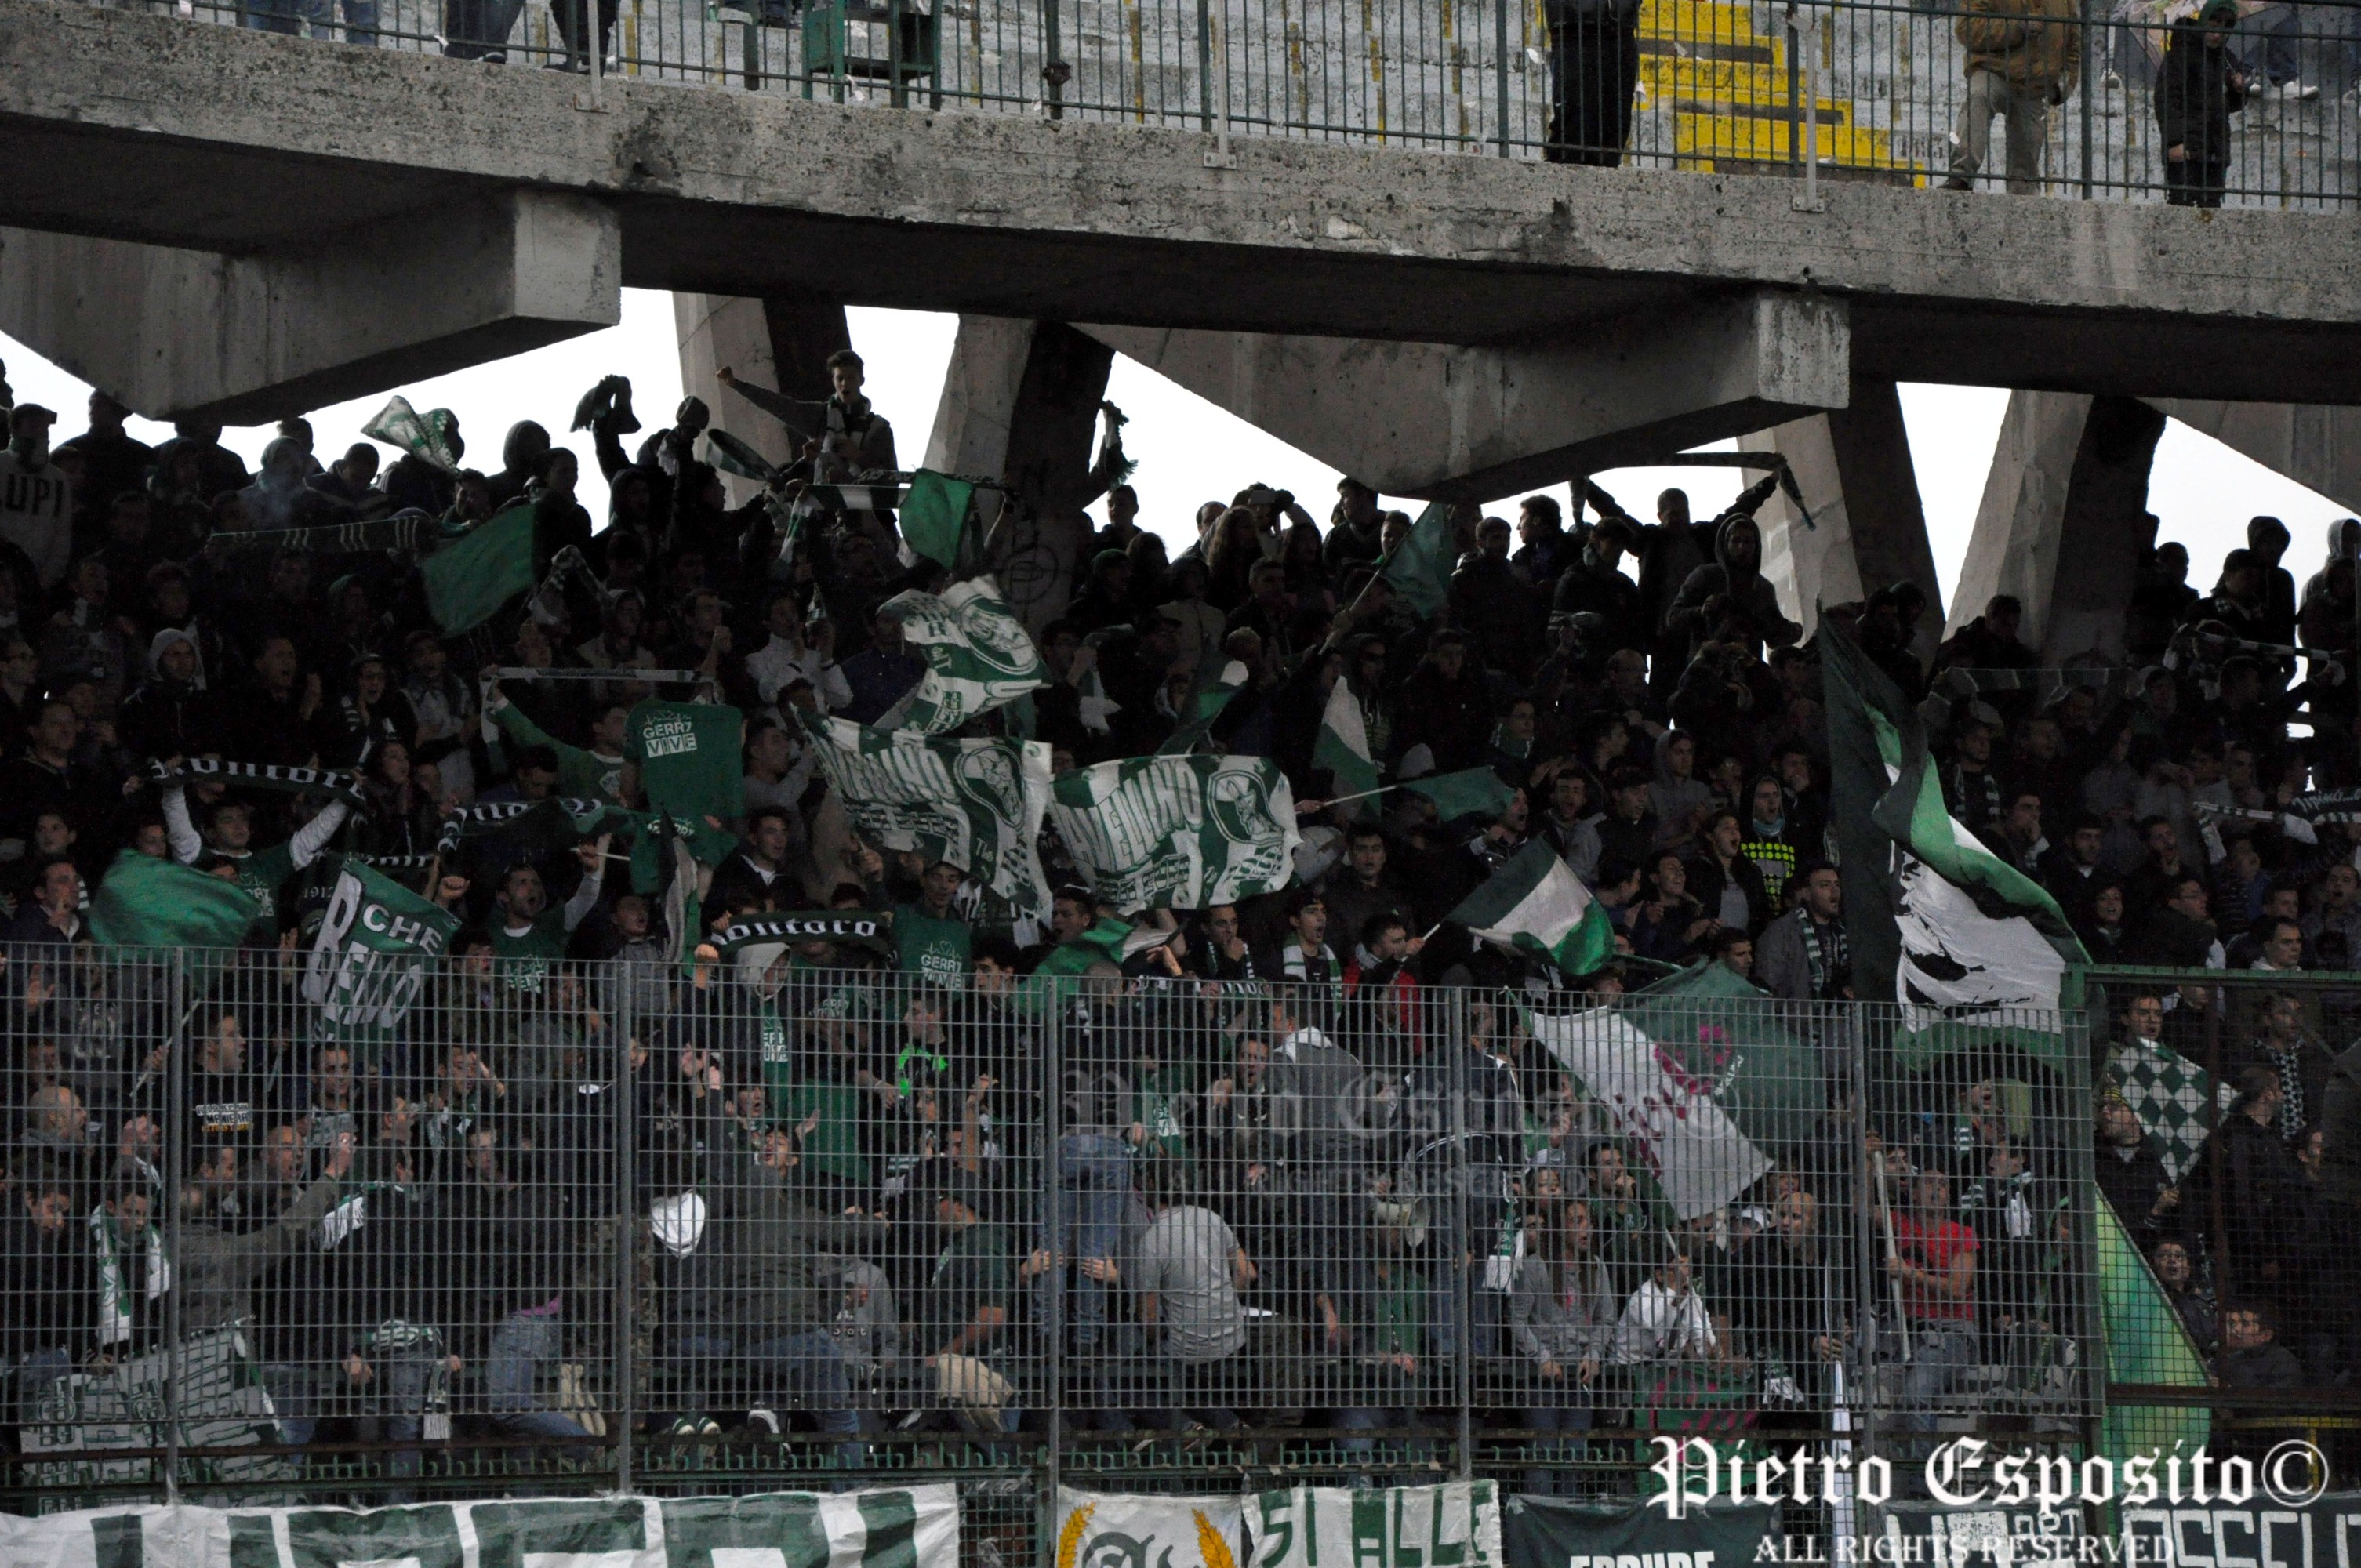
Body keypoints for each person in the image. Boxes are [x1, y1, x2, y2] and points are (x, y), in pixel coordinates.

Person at [1944, 0, 2080, 193]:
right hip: (1992, 70)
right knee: (1979, 96)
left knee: (2025, 164)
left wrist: (2063, 87)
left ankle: (2022, 191)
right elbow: (1967, 28)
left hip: (2034, 85)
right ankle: (1961, 175)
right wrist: (2016, 27)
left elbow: (2073, 44)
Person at [2158, 0, 2249, 208]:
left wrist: (2239, 90)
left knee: (2211, 204)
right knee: (2182, 202)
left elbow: (2231, 105)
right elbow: (2167, 100)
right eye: (2213, 28)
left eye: (2224, 30)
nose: (2217, 35)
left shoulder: (2227, 59)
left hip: (2216, 147)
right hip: (2187, 147)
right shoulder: (2180, 54)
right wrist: (2174, 142)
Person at [1542, 0, 1644, 165]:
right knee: (1575, 117)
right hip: (1575, 25)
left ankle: (1606, 168)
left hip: (1621, 27)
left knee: (1616, 118)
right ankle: (1565, 168)